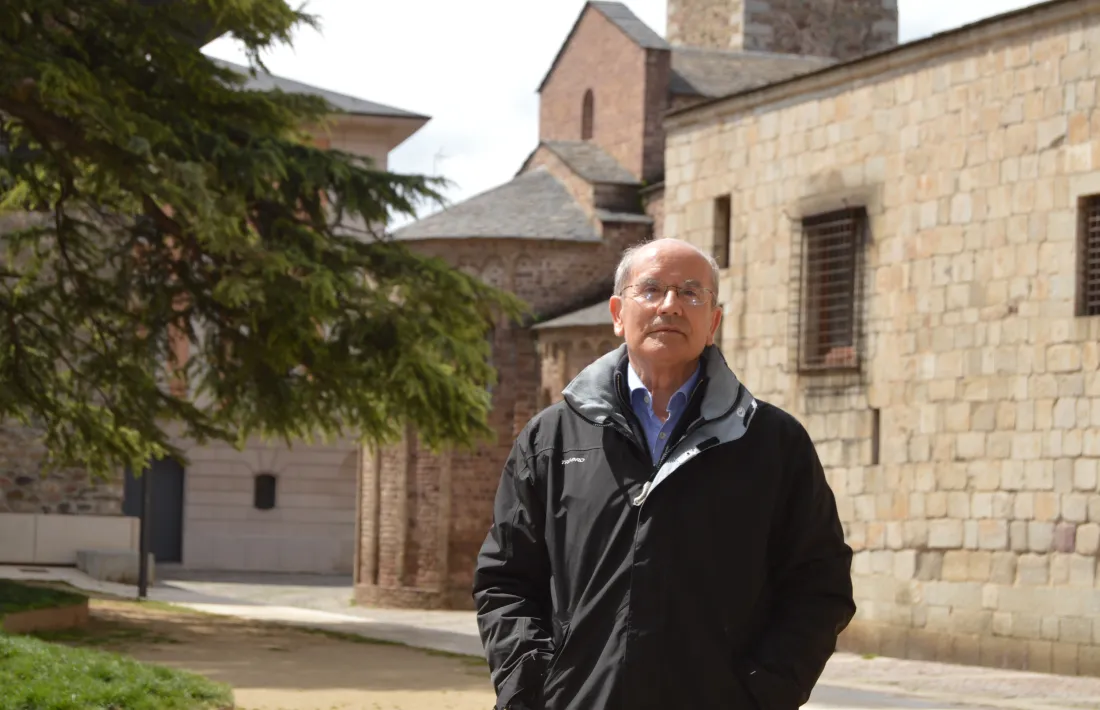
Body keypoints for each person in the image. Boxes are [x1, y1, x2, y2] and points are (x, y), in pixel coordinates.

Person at [472, 237, 855, 710]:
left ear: (713, 322)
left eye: (691, 293)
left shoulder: (773, 441)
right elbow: (505, 579)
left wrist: (765, 694)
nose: (670, 305)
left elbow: (820, 585)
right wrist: (529, 691)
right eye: (651, 290)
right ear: (617, 313)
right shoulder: (550, 439)